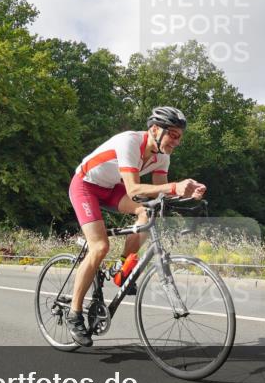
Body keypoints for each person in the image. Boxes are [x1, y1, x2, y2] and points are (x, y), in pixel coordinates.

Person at [66, 106, 206, 346]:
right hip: (85, 186)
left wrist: (188, 194)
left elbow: (160, 194)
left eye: (180, 137)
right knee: (99, 247)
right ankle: (74, 314)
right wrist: (174, 187)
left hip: (111, 188)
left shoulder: (163, 155)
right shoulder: (129, 142)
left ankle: (123, 268)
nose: (177, 142)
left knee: (147, 210)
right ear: (154, 129)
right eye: (173, 134)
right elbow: (134, 189)